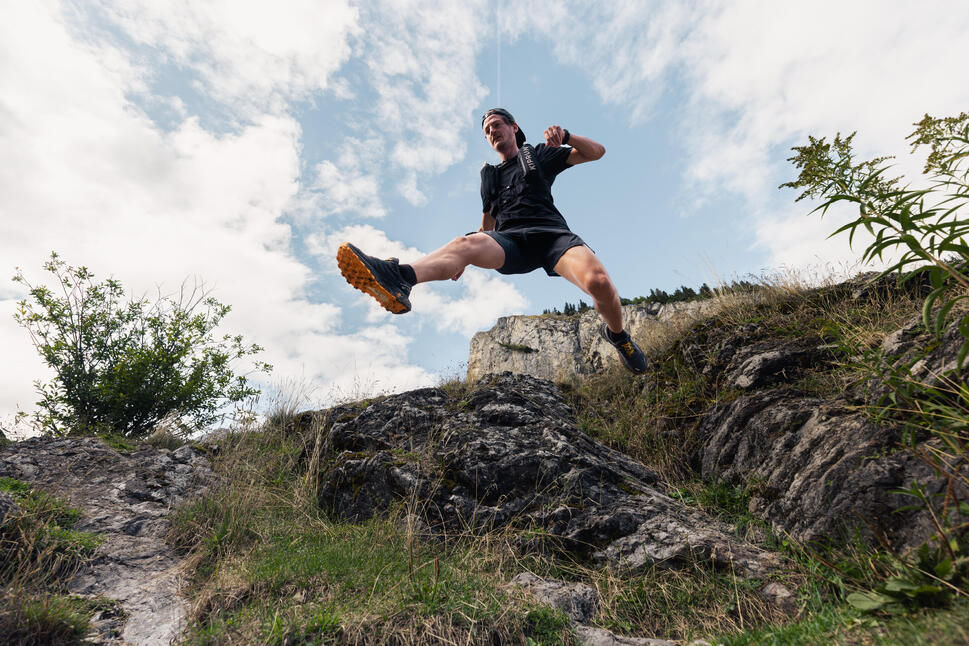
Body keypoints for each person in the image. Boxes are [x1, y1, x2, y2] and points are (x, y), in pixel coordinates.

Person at [336, 107, 648, 374]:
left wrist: (566, 136)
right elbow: (487, 225)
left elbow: (597, 153)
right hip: (512, 242)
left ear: (513, 127)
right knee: (466, 242)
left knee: (599, 283)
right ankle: (399, 278)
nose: (492, 131)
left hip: (552, 236)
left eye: (497, 124)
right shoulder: (491, 178)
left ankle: (618, 336)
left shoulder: (538, 154)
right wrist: (464, 257)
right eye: (487, 130)